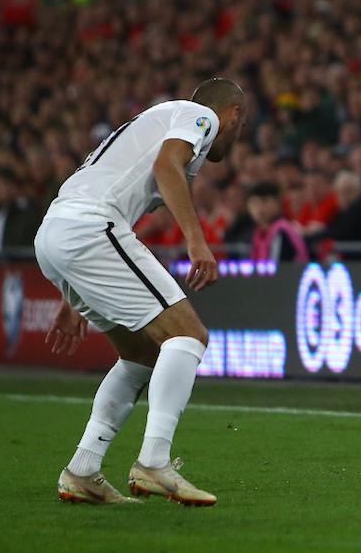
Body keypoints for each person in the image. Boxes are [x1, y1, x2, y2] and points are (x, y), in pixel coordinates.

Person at [34, 77, 247, 505]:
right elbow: (165, 168)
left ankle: (83, 469)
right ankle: (154, 461)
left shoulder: (151, 126)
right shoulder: (198, 116)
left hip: (58, 233)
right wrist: (196, 240)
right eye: (241, 126)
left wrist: (70, 296)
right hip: (89, 228)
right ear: (234, 115)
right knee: (187, 336)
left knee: (142, 355)